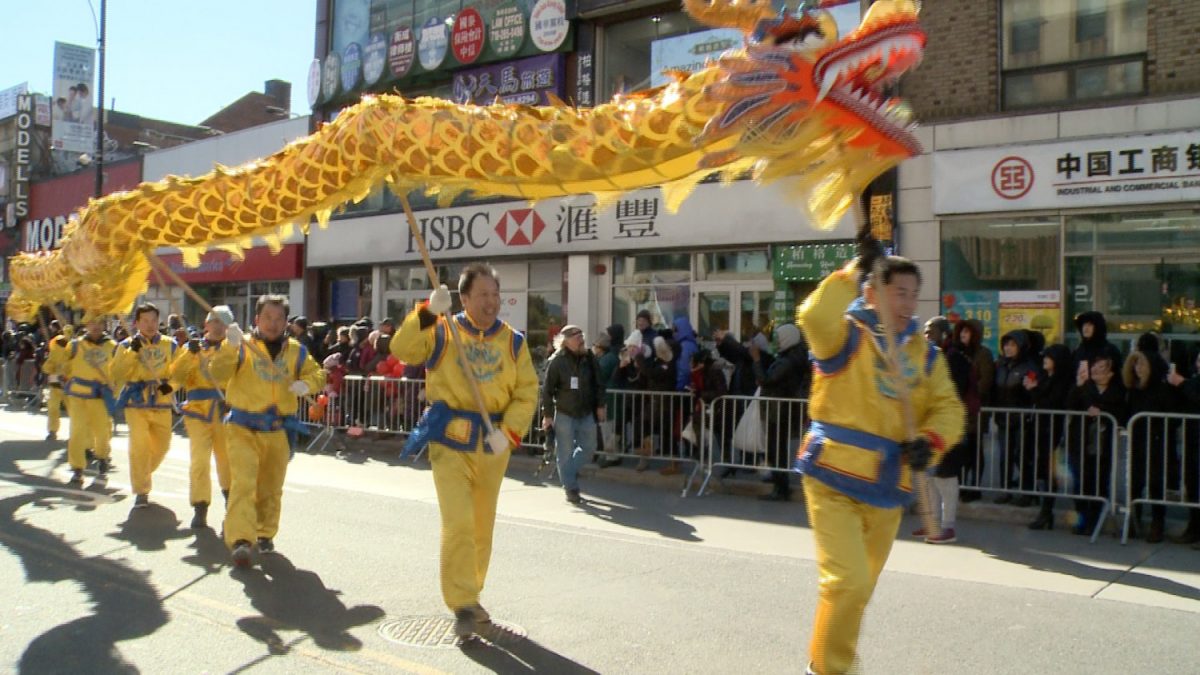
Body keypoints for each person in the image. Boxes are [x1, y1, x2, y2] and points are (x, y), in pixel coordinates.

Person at [794, 241, 964, 675]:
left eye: (913, 293)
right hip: (833, 476)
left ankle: (824, 661)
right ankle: (833, 669)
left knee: (857, 589)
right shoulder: (846, 334)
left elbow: (948, 407)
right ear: (871, 293)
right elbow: (812, 315)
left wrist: (931, 439)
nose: (907, 302)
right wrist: (855, 268)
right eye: (897, 291)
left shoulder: (925, 355)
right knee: (846, 582)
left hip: (889, 486)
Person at [392, 263, 538, 640]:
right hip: (451, 441)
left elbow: (527, 391)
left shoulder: (514, 341)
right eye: (482, 295)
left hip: (494, 445)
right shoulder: (442, 330)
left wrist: (510, 432)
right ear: (465, 297)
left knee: (481, 527)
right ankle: (462, 603)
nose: (490, 302)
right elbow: (402, 350)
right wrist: (426, 312)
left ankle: (472, 593)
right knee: (458, 523)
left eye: (495, 295)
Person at [209, 297, 325, 568]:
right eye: (267, 317)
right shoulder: (241, 345)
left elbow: (319, 374)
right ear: (257, 319)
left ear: (286, 322)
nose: (273, 323)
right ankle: (240, 539)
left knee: (271, 488)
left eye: (278, 318)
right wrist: (230, 347)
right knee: (244, 483)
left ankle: (264, 533)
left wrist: (307, 385)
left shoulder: (297, 351)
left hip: (277, 430)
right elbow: (218, 373)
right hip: (241, 427)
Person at [110, 303, 178, 509]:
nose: (150, 325)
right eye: (145, 321)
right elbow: (117, 374)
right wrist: (132, 352)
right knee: (139, 446)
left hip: (162, 403)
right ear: (137, 323)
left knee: (163, 446)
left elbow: (181, 372)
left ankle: (142, 473)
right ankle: (141, 490)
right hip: (136, 403)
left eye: (153, 320)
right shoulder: (125, 345)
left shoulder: (171, 345)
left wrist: (171, 387)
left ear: (159, 321)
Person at [169, 311, 232, 530]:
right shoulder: (192, 348)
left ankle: (231, 502)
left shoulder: (234, 349)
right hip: (197, 412)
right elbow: (175, 378)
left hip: (225, 412)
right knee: (199, 461)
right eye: (214, 321)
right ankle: (200, 506)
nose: (218, 326)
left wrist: (235, 400)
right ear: (206, 323)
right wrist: (189, 355)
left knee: (227, 460)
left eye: (223, 322)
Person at [916, 316, 974, 543]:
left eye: (932, 331)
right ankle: (932, 522)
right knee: (929, 475)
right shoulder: (926, 358)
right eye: (925, 331)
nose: (927, 335)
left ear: (944, 334)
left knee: (946, 477)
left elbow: (951, 393)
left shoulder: (954, 359)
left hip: (949, 426)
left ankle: (948, 526)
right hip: (928, 423)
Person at [541, 325, 605, 504]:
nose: (581, 340)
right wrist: (547, 415)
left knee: (589, 448)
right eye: (577, 337)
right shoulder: (557, 361)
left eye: (581, 336)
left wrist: (600, 405)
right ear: (566, 341)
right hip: (564, 413)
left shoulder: (589, 357)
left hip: (586, 412)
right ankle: (570, 488)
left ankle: (568, 472)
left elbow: (599, 382)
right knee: (565, 452)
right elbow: (547, 391)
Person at [1065, 355, 1125, 536]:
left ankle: (1095, 520)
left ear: (1111, 373)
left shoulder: (1118, 392)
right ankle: (1082, 519)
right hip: (1081, 441)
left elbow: (1122, 413)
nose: (1096, 372)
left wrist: (1103, 412)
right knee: (1080, 481)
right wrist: (1078, 385)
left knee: (1099, 482)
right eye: (1095, 368)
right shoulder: (1084, 388)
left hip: (1103, 444)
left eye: (1101, 369)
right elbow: (1070, 405)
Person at [1123, 349, 1178, 543]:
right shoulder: (1133, 389)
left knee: (1156, 483)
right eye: (1136, 364)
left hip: (1157, 442)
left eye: (1142, 364)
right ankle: (1133, 520)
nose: (1138, 369)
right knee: (1135, 482)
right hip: (1137, 440)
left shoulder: (1162, 389)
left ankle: (1157, 523)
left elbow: (1172, 417)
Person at [60, 319, 118, 485]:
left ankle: (102, 457)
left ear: (104, 324)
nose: (96, 325)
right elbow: (65, 366)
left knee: (102, 433)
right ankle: (77, 469)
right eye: (92, 322)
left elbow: (118, 370)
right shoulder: (75, 345)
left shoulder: (112, 347)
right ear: (86, 325)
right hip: (78, 396)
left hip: (99, 397)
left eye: (99, 321)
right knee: (77, 433)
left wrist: (115, 387)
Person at [756, 322, 809, 502]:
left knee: (776, 449)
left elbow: (767, 380)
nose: (776, 342)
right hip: (780, 411)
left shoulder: (789, 361)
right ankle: (779, 480)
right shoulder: (789, 357)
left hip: (780, 412)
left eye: (779, 339)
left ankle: (781, 487)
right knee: (776, 449)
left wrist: (756, 360)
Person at [1027, 344, 1074, 530]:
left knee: (1050, 470)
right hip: (1041, 428)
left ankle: (1046, 510)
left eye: (1049, 357)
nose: (1044, 360)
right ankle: (1045, 511)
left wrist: (1034, 391)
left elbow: (1051, 402)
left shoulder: (1062, 381)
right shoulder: (1045, 377)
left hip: (1055, 430)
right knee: (1041, 469)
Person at [991, 330, 1037, 506]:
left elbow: (1032, 391)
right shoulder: (1001, 365)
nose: (1008, 348)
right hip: (1004, 418)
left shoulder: (1029, 366)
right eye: (1006, 345)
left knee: (1021, 455)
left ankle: (1027, 492)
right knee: (1005, 456)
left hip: (1022, 419)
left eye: (1012, 345)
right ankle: (1005, 490)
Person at [953, 319, 993, 502]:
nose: (963, 335)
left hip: (975, 409)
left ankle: (974, 486)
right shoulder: (957, 353)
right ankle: (960, 486)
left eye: (967, 332)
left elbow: (985, 382)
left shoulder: (983, 354)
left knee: (975, 450)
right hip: (959, 409)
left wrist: (969, 391)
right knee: (961, 450)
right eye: (962, 332)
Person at [41, 321, 70, 442]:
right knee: (53, 409)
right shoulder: (56, 348)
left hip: (70, 386)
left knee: (74, 411)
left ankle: (76, 433)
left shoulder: (77, 349)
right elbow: (47, 366)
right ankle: (52, 431)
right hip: (56, 384)